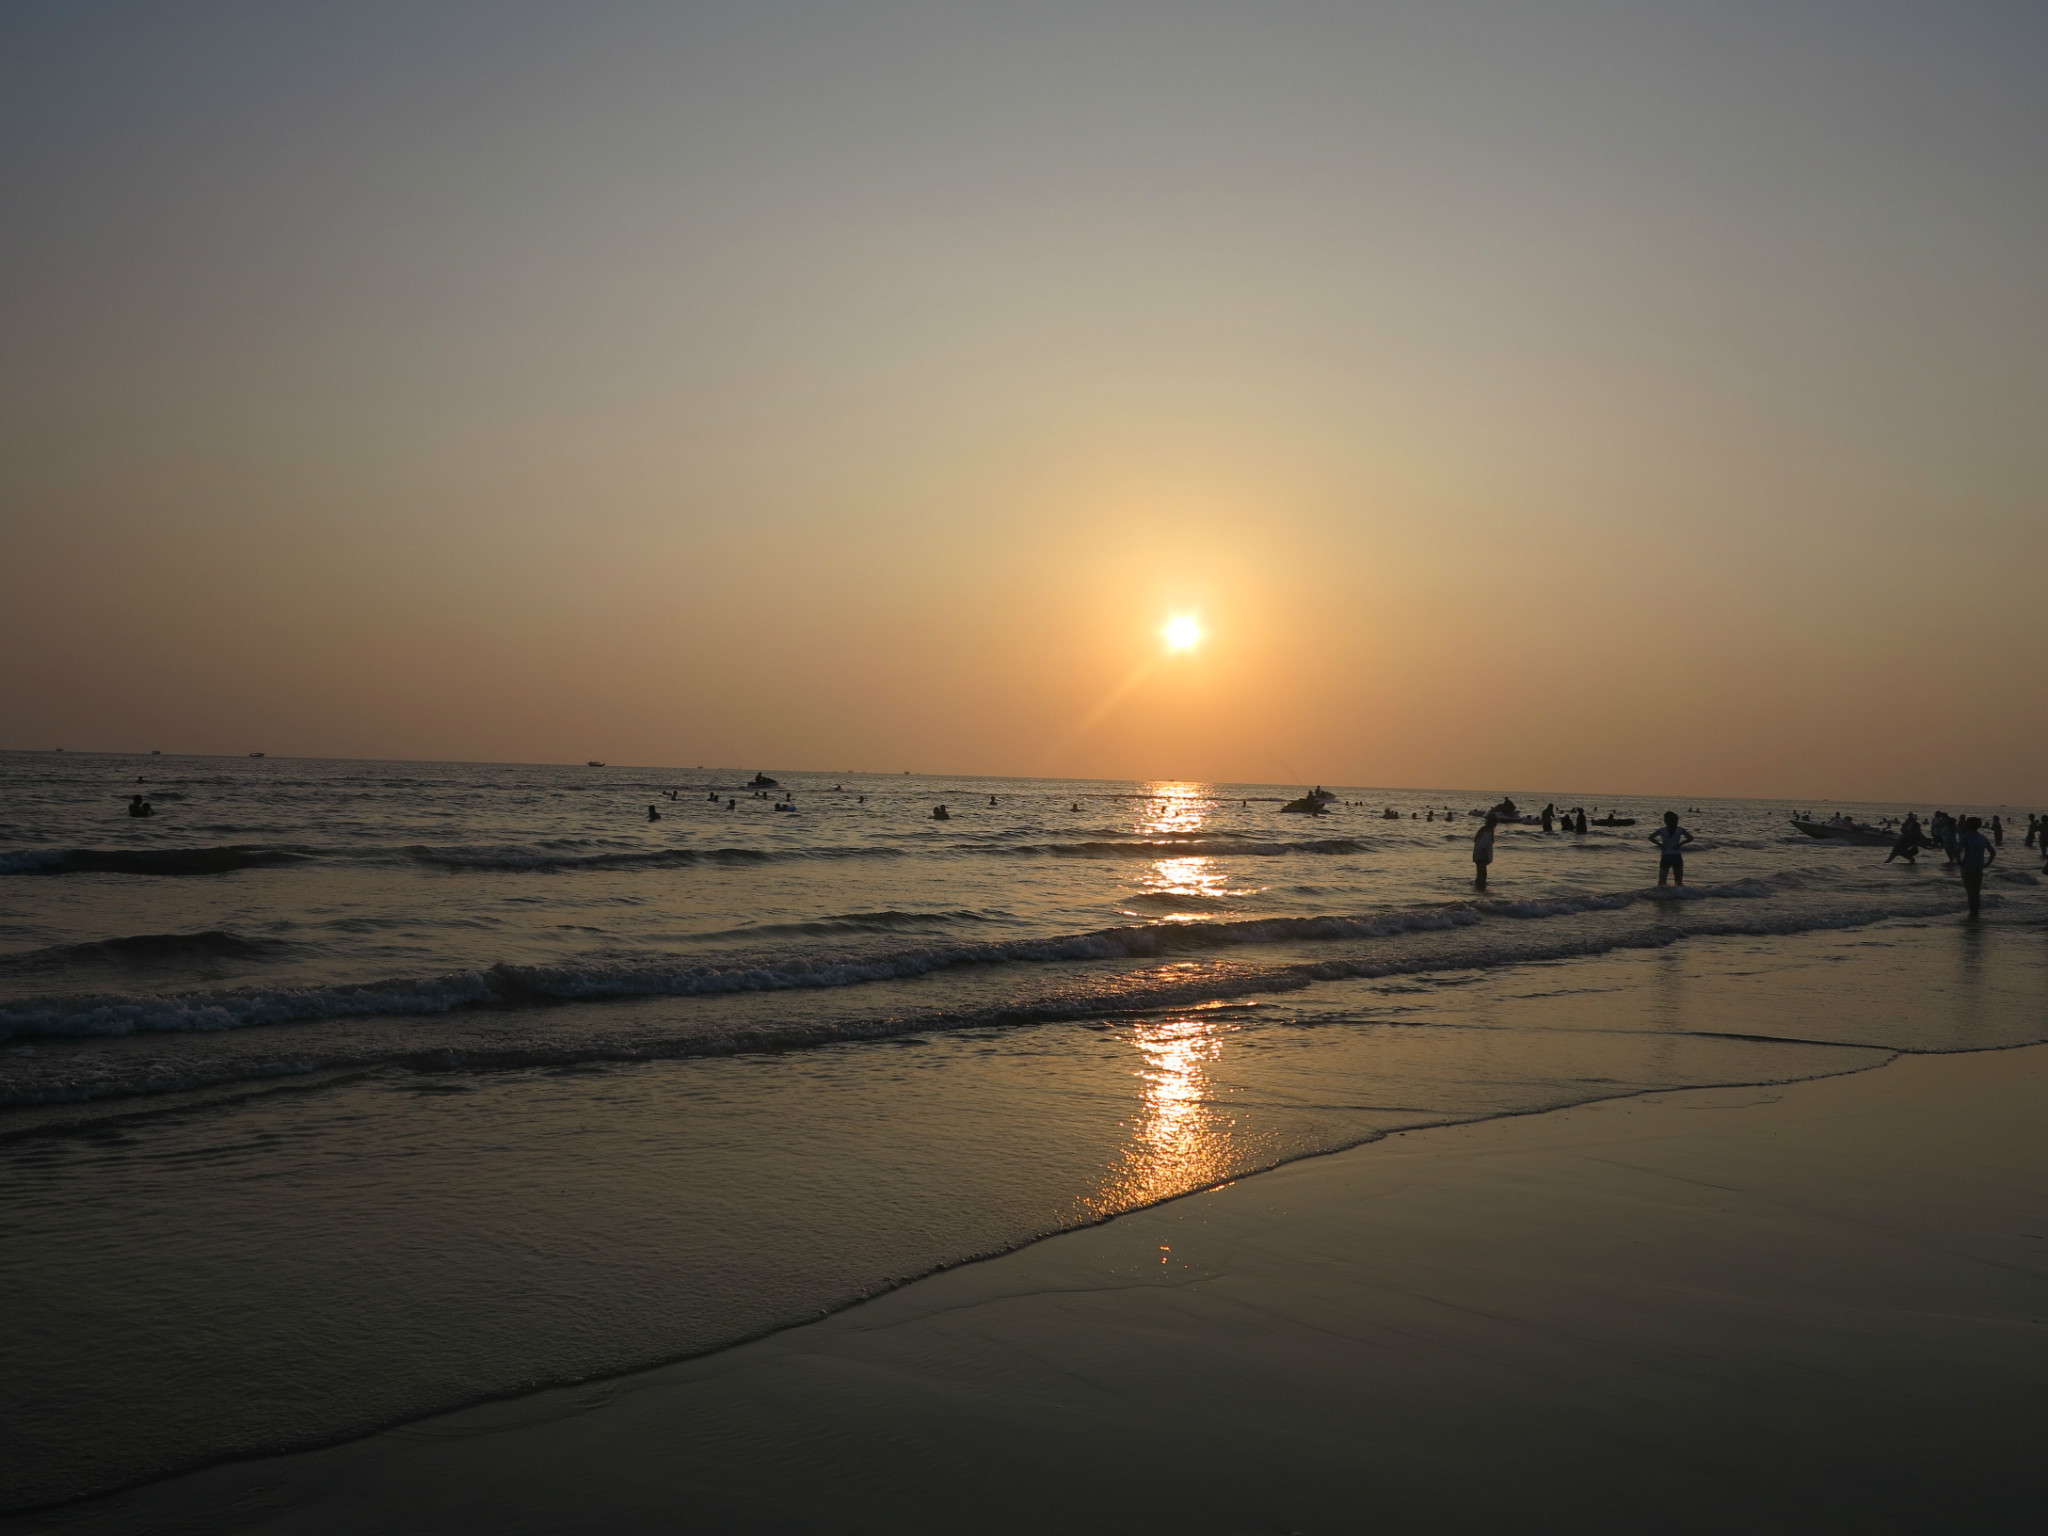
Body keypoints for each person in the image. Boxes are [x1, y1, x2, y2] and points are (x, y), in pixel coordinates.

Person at [1957, 816, 1996, 919]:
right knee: (1976, 891)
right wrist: (1987, 864)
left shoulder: (1965, 837)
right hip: (1979, 867)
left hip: (1967, 866)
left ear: (1967, 825)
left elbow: (1958, 851)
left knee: (1970, 892)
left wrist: (1959, 861)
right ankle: (1976, 912)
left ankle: (1972, 913)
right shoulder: (1982, 838)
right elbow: (1992, 852)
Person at [1648, 811, 1693, 886]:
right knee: (1678, 882)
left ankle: (1662, 895)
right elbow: (1690, 838)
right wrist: (1680, 844)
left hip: (1666, 856)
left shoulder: (1662, 830)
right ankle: (1678, 895)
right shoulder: (1680, 829)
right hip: (1676, 856)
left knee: (1662, 882)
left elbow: (1650, 837)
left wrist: (1660, 844)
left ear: (1666, 820)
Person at [1472, 813, 1497, 889]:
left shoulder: (1483, 830)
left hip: (1478, 855)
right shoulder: (1487, 832)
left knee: (1480, 874)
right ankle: (1481, 890)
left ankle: (1478, 889)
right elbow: (1484, 845)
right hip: (1482, 855)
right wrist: (1487, 856)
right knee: (1483, 875)